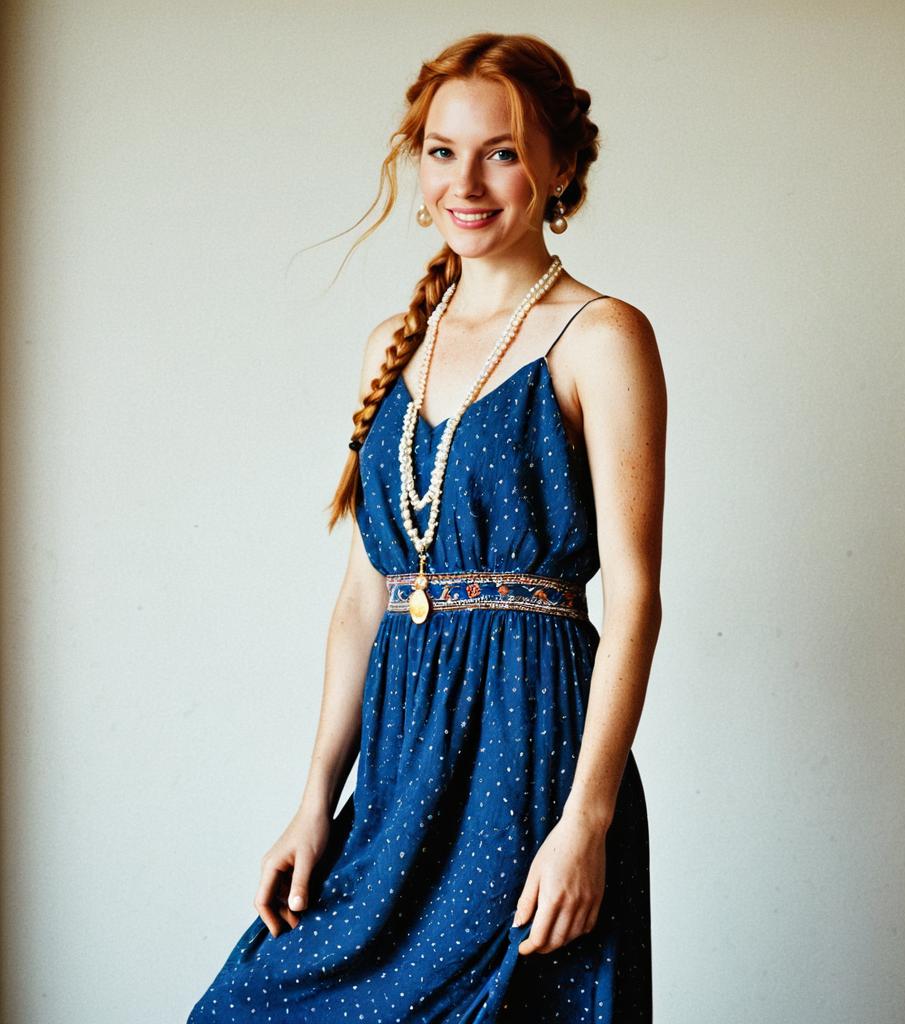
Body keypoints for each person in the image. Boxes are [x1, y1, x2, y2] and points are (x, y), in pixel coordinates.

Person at [188, 31, 665, 1023]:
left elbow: (636, 595)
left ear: (561, 166)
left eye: (501, 149)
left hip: (533, 749)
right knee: (254, 1001)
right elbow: (365, 592)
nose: (468, 179)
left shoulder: (600, 335)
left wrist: (588, 819)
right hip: (404, 760)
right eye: (442, 150)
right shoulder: (391, 344)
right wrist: (315, 797)